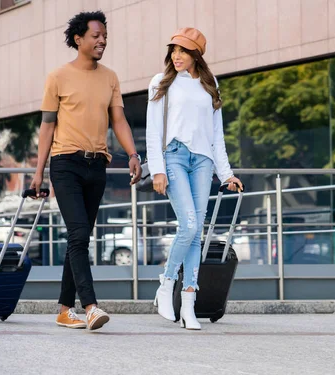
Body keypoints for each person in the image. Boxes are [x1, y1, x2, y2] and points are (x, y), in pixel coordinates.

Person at [30, 11, 142, 330]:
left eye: (104, 35)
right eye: (96, 36)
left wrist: (133, 153)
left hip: (98, 165)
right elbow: (47, 127)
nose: (102, 40)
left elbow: (118, 120)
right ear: (79, 39)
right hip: (65, 164)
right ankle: (90, 306)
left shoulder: (110, 77)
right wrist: (38, 173)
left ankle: (65, 309)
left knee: (81, 237)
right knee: (79, 233)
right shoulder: (58, 77)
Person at [146, 28, 243, 330]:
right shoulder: (162, 83)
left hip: (203, 161)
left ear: (196, 55)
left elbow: (217, 134)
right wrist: (158, 170)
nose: (176, 55)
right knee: (188, 224)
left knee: (196, 231)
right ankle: (166, 283)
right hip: (174, 155)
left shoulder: (209, 83)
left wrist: (226, 173)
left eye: (184, 51)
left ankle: (188, 301)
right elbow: (153, 130)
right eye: (174, 49)